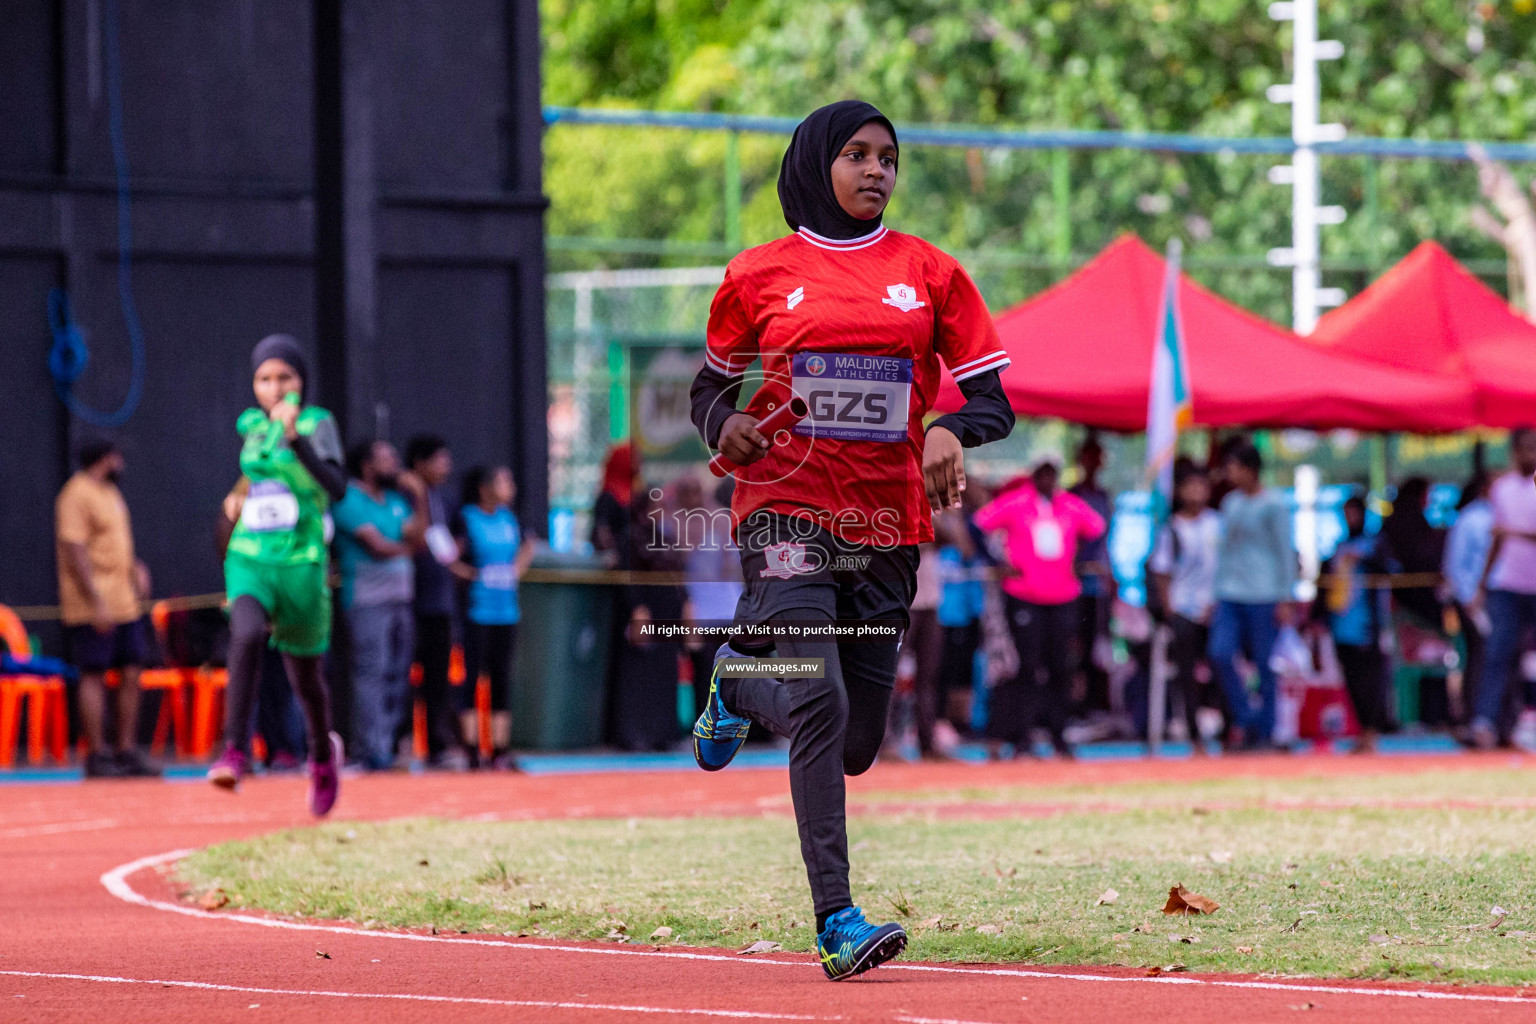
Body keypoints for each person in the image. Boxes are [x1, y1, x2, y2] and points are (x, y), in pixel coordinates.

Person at [685, 101, 1015, 980]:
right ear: (816, 163)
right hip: (784, 511)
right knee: (821, 697)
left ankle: (738, 683)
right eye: (858, 155)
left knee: (858, 741)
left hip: (887, 525)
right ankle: (837, 919)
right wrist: (728, 429)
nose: (877, 171)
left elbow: (993, 400)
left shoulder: (930, 273)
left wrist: (949, 429)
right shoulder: (759, 275)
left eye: (889, 158)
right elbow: (706, 395)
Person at [208, 334, 345, 813]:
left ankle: (323, 757)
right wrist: (238, 497)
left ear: (301, 383)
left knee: (306, 680)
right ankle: (234, 752)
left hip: (301, 564)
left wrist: (296, 440)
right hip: (250, 559)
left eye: (285, 377)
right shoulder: (251, 427)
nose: (274, 387)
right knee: (244, 635)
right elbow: (257, 479)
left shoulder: (316, 424)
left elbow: (336, 487)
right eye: (264, 378)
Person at [974, 459, 1106, 759]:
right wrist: (995, 562)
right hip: (1024, 595)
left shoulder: (1070, 505)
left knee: (1061, 667)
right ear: (1034, 477)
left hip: (1063, 595)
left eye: (1052, 475)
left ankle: (1059, 736)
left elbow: (1098, 530)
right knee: (1027, 668)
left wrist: (1082, 561)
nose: (1047, 480)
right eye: (1042, 474)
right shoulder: (1016, 503)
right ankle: (1023, 737)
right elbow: (978, 525)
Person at [54, 439, 159, 778]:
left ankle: (126, 750)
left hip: (124, 602)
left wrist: (135, 568)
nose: (121, 464)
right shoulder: (75, 494)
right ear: (105, 459)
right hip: (92, 604)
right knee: (94, 673)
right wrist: (95, 599)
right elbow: (74, 549)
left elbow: (115, 543)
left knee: (132, 670)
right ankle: (97, 754)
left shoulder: (110, 493)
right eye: (116, 458)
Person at [333, 439, 427, 771]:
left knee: (397, 675)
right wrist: (408, 548)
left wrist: (421, 494)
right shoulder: (349, 499)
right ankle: (367, 749)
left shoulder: (397, 501)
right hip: (367, 602)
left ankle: (385, 745)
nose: (396, 465)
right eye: (387, 459)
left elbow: (419, 536)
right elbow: (378, 547)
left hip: (402, 599)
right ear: (367, 465)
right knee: (371, 673)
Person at [1207, 442, 1296, 751]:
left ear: (1250, 469)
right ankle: (1245, 717)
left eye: (1233, 467)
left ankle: (1268, 730)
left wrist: (1286, 596)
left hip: (1265, 593)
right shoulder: (1230, 503)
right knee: (1219, 653)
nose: (1229, 473)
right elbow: (1223, 551)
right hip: (1230, 593)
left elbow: (1286, 552)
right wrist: (1215, 592)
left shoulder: (1274, 504)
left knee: (1264, 663)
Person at [454, 464, 534, 768]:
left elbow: (529, 544)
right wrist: (472, 575)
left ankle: (499, 749)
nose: (510, 486)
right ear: (484, 488)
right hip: (477, 610)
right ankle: (472, 749)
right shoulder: (467, 518)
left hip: (506, 610)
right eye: (503, 481)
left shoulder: (509, 518)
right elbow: (449, 554)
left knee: (502, 677)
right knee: (473, 676)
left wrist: (515, 570)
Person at [1146, 462, 1222, 746]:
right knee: (1185, 673)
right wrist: (1171, 610)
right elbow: (1162, 573)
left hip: (1216, 609)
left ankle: (1227, 728)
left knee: (1222, 663)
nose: (1196, 492)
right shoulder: (1172, 529)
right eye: (1190, 486)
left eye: (1201, 486)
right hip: (1183, 610)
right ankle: (1193, 732)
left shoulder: (1218, 524)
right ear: (1179, 491)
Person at [405, 434, 468, 769]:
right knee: (400, 675)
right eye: (439, 459)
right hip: (410, 600)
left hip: (441, 603)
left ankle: (437, 745)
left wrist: (456, 552)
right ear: (420, 463)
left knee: (439, 678)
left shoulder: (445, 498)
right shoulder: (407, 496)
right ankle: (399, 743)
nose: (447, 465)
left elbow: (454, 540)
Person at [1470, 428, 1536, 749]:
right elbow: (1495, 539)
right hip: (1506, 586)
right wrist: (1481, 583)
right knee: (1498, 655)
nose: (1530, 456)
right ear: (1513, 453)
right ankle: (1486, 724)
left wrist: (1514, 532)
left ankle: (1517, 722)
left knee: (1524, 659)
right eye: (1524, 449)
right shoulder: (1502, 489)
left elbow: (1506, 531)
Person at [1317, 495, 1396, 751]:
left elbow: (1391, 571)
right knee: (1351, 680)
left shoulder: (1376, 545)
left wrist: (1364, 560)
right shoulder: (1338, 548)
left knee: (1372, 680)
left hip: (1369, 626)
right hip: (1342, 625)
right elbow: (1325, 586)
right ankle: (1362, 731)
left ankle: (1372, 732)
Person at [675, 475, 743, 720]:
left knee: (733, 671)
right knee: (705, 673)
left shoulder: (721, 521)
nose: (692, 496)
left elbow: (733, 566)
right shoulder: (673, 524)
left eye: (696, 490)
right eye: (687, 490)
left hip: (726, 608)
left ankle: (738, 724)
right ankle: (704, 724)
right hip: (700, 610)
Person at [1443, 470, 1494, 726]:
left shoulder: (1500, 516)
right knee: (1480, 656)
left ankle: (1492, 719)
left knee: (1496, 657)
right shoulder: (1471, 519)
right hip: (1472, 600)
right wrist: (1468, 598)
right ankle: (1472, 717)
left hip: (1497, 599)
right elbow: (1454, 564)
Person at [1069, 434, 1115, 714]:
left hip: (1098, 583)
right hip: (1076, 582)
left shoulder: (1103, 497)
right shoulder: (1073, 495)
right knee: (1075, 644)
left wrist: (1110, 574)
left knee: (1097, 644)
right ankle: (1074, 702)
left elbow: (1106, 540)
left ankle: (1095, 701)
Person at [1380, 476, 1447, 628]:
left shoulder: (1395, 521)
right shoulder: (1413, 525)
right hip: (1415, 598)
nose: (1429, 500)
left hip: (1407, 595)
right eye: (1427, 494)